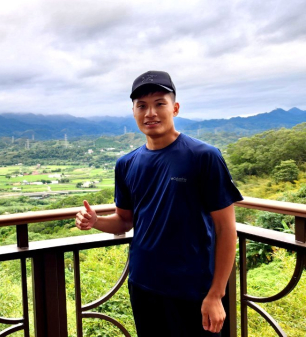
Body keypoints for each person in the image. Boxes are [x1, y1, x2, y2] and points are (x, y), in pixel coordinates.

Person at [76, 70, 243, 336]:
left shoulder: (204, 156)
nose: (150, 112)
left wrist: (216, 294)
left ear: (175, 108)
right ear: (133, 112)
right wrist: (96, 222)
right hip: (144, 285)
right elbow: (125, 220)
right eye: (141, 106)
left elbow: (226, 229)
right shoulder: (126, 163)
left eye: (159, 104)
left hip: (194, 289)